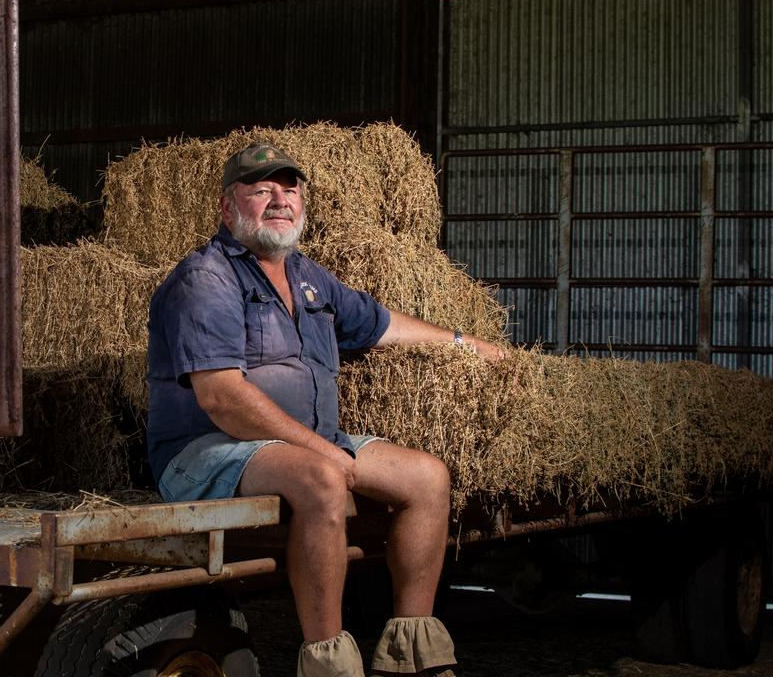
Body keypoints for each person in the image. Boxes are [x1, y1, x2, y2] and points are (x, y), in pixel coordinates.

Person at [145, 142, 506, 677]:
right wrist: (322, 451)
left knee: (428, 477)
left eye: (289, 188)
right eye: (260, 189)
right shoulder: (207, 278)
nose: (279, 200)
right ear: (227, 207)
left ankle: (413, 656)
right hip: (207, 451)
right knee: (320, 479)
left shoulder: (309, 277)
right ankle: (329, 662)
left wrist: (463, 342)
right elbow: (222, 399)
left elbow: (381, 324)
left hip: (302, 441)